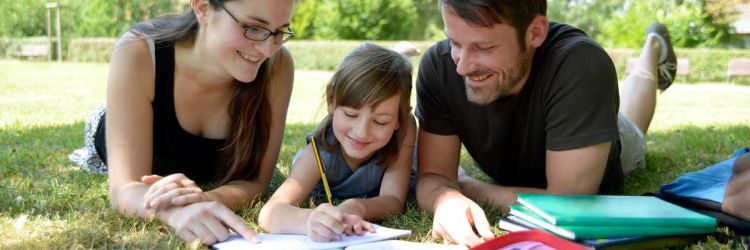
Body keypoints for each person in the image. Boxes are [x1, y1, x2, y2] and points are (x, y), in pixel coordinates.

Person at [414, 0, 677, 246]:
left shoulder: (579, 64)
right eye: (454, 43)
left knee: (633, 127)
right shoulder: (439, 68)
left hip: (592, 129)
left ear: (535, 32)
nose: (462, 67)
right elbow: (433, 177)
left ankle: (653, 46)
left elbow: (569, 201)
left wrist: (469, 186)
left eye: (484, 48)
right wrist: (446, 199)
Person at [69, 0, 295, 245]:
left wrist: (202, 201)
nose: (266, 48)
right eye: (252, 27)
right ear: (203, 8)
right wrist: (172, 212)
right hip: (115, 122)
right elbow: (124, 188)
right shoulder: (139, 51)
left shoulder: (278, 66)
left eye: (280, 31)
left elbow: (256, 182)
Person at [258, 43, 417, 242]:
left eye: (380, 121)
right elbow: (270, 213)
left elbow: (394, 200)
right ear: (331, 101)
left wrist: (357, 206)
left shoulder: (406, 128)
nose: (361, 132)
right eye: (351, 114)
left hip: (414, 167)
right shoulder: (317, 154)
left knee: (442, 173)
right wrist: (308, 220)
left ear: (399, 120)